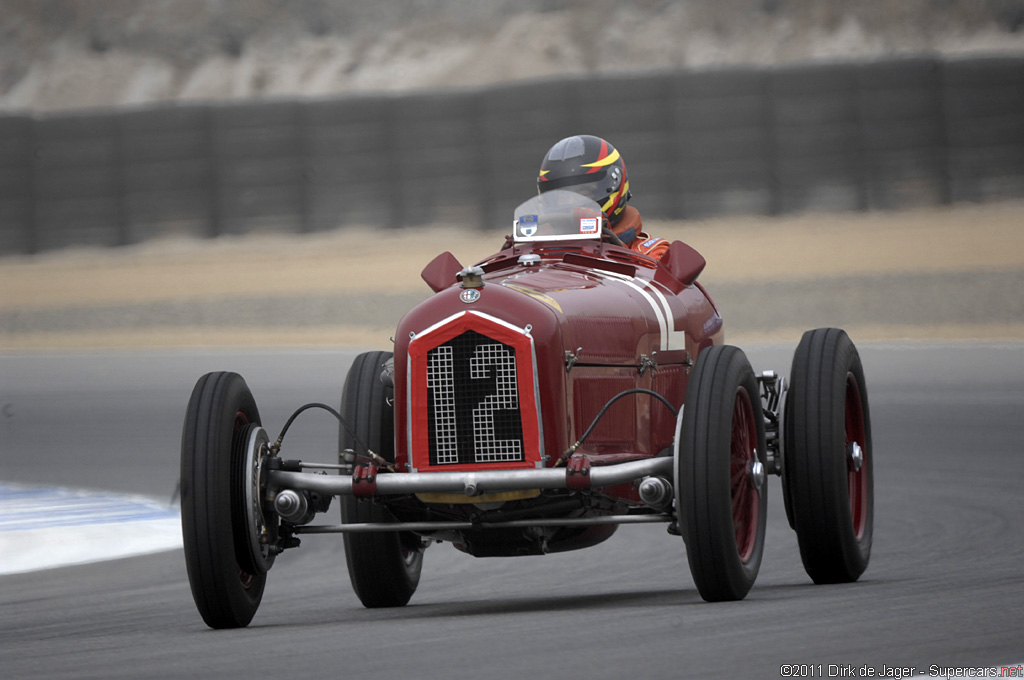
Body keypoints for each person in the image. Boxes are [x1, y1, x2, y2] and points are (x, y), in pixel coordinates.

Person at [537, 134, 669, 260]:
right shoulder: (535, 254)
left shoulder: (651, 254)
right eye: (562, 196)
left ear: (614, 185)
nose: (570, 204)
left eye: (583, 193)